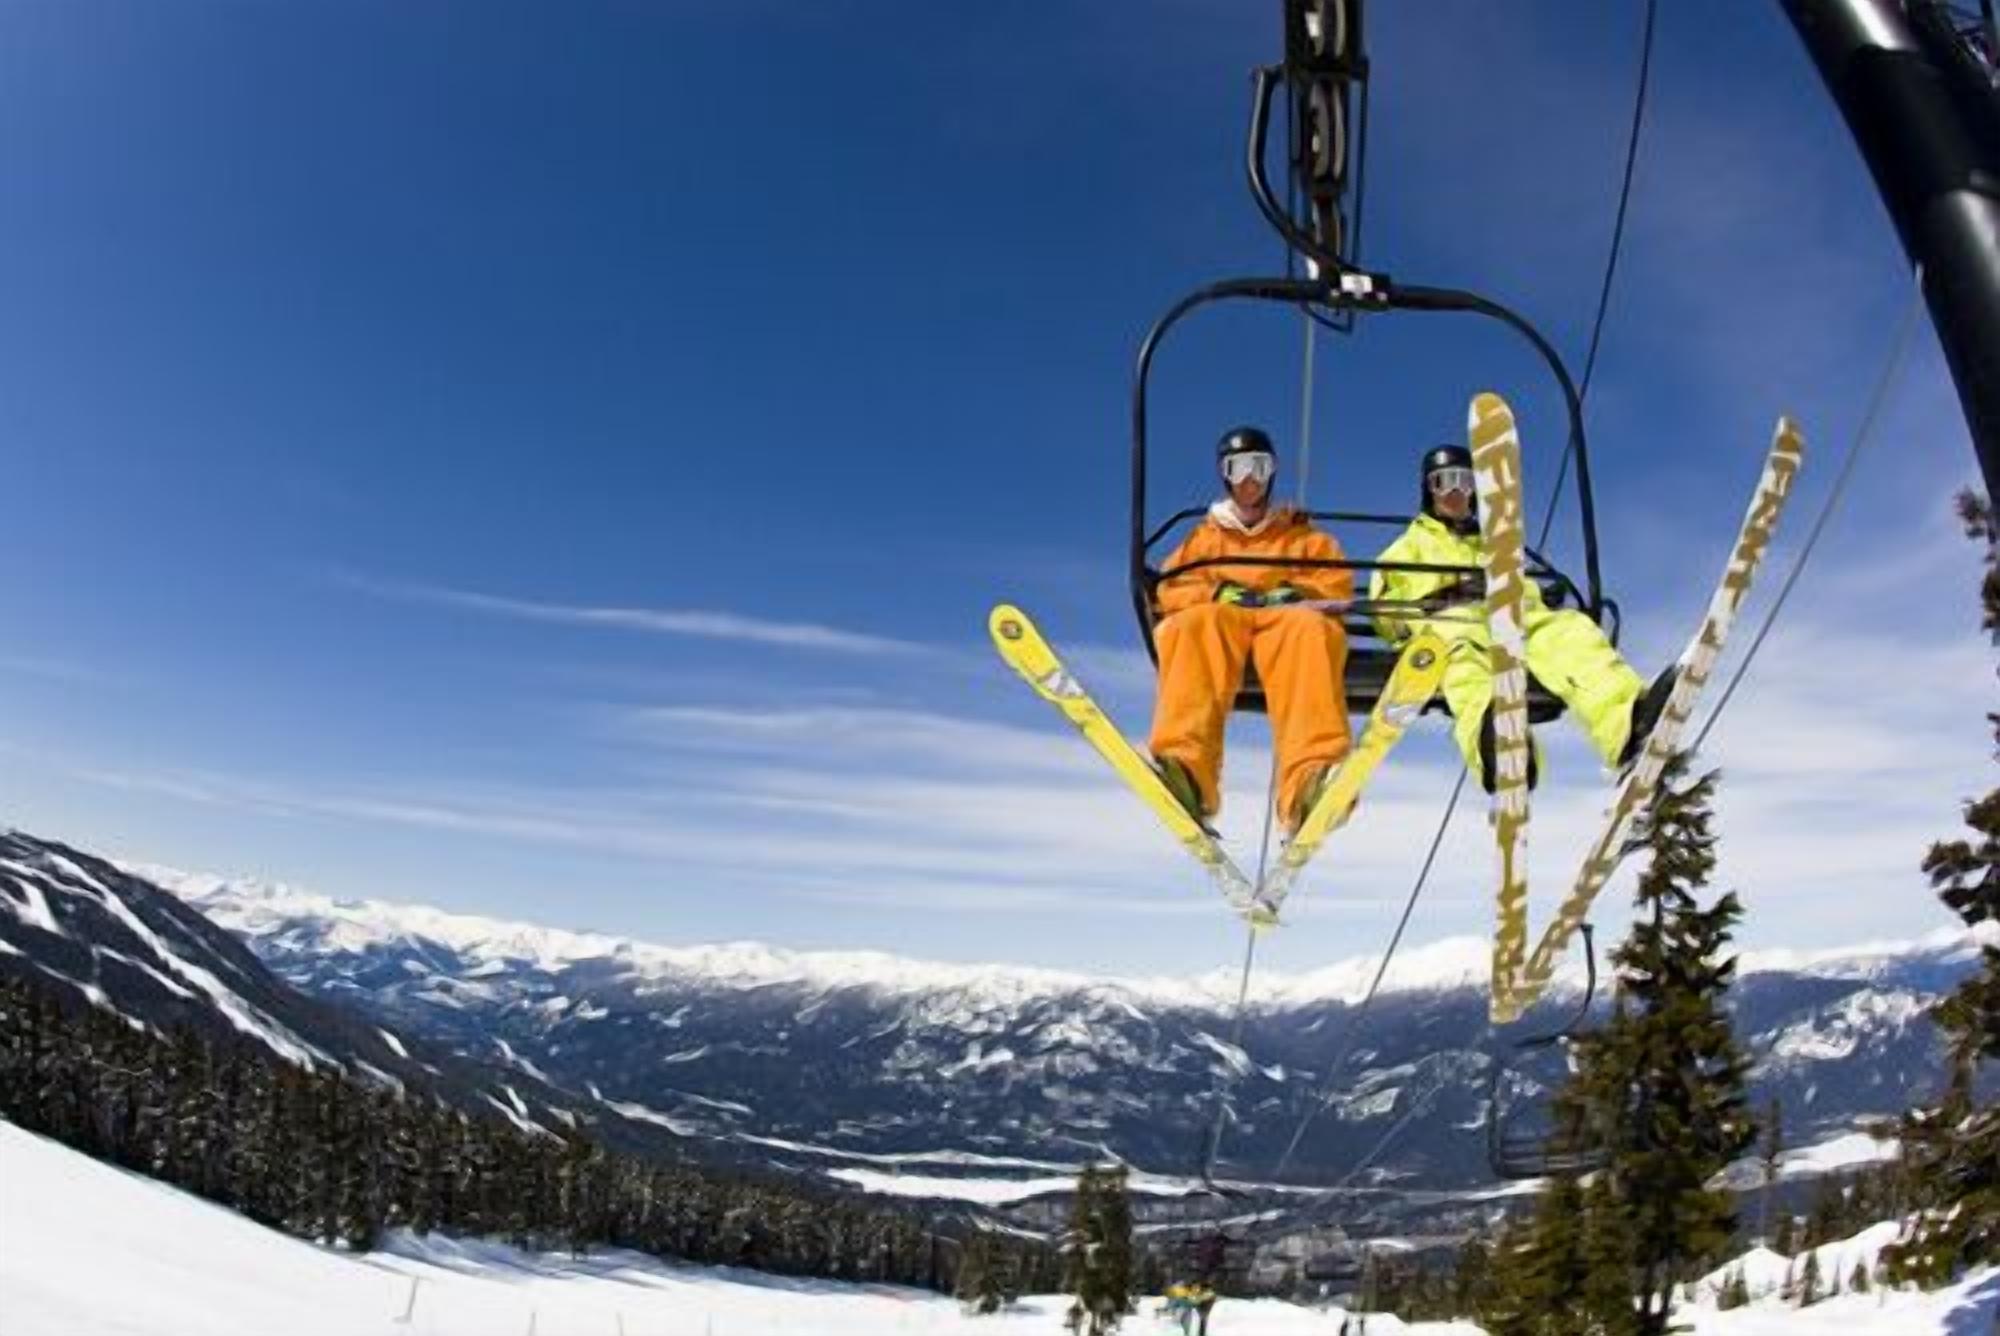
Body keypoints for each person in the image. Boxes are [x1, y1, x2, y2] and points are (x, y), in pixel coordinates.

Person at [1369, 443, 1677, 791]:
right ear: (1430, 490)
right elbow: (1386, 611)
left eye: (1463, 481)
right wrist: (1444, 600)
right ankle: (1498, 745)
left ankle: (1627, 725)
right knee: (1465, 668)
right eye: (1444, 481)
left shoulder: (1493, 547)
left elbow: (1524, 593)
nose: (1455, 491)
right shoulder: (1404, 550)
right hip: (1452, 628)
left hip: (1509, 620)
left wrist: (1530, 596)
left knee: (1569, 631)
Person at [1147, 426, 1354, 834]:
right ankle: (1188, 770)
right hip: (1227, 620)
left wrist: (1294, 593)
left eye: (1259, 467)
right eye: (1238, 468)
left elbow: (1335, 585)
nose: (1249, 479)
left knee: (1309, 630)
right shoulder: (1206, 538)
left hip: (1283, 622)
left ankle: (1309, 782)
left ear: (1272, 472)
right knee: (1195, 624)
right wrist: (1218, 591)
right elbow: (1173, 586)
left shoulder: (1300, 536)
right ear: (1224, 474)